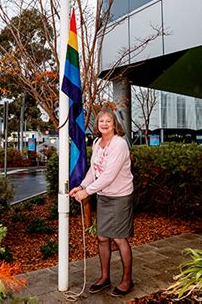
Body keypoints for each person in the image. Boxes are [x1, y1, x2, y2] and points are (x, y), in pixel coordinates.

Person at [69, 109, 134, 297]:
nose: (104, 124)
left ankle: (127, 280)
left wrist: (87, 192)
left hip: (120, 197)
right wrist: (81, 185)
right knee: (102, 238)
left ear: (115, 124)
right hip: (104, 196)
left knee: (120, 239)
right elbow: (94, 169)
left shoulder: (119, 144)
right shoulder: (97, 142)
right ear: (97, 125)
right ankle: (105, 278)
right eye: (101, 121)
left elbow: (108, 176)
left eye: (108, 121)